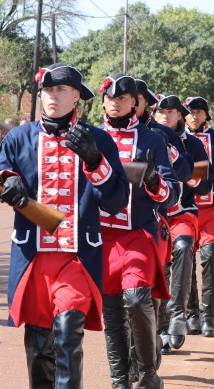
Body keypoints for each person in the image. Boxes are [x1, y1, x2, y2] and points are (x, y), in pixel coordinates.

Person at [0, 63, 129, 389]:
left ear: (76, 97)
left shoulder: (98, 140)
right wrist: (6, 180)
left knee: (69, 333)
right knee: (39, 344)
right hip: (33, 257)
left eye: (60, 90)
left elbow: (116, 202)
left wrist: (95, 161)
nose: (52, 96)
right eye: (47, 90)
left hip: (77, 258)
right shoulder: (19, 138)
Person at [97, 75, 178, 388]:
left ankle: (147, 375)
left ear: (135, 102)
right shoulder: (94, 137)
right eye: (111, 97)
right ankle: (120, 381)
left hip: (138, 233)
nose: (116, 102)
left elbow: (172, 193)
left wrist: (155, 181)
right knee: (113, 311)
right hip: (102, 236)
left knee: (136, 296)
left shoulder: (153, 140)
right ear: (103, 101)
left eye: (124, 97)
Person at [153, 94, 207, 352]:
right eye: (161, 110)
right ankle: (161, 327)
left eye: (171, 111)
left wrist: (176, 158)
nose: (165, 114)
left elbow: (204, 183)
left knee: (184, 247)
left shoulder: (194, 144)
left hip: (182, 211)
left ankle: (178, 314)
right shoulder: (147, 138)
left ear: (180, 115)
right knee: (160, 265)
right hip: (153, 214)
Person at [185, 96, 214, 337]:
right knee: (184, 257)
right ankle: (191, 313)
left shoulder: (213, 137)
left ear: (206, 114)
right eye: (190, 112)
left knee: (209, 255)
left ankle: (208, 315)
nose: (194, 116)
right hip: (185, 207)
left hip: (210, 209)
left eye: (198, 112)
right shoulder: (176, 137)